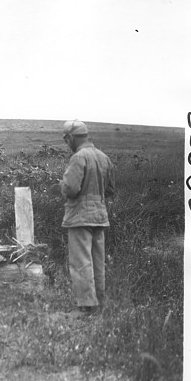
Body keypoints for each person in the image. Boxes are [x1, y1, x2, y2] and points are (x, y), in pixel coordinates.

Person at [60, 120, 116, 315]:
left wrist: (62, 186)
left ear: (71, 138)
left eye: (66, 139)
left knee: (80, 261)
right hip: (100, 215)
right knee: (97, 261)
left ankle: (86, 307)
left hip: (79, 216)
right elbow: (110, 189)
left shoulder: (78, 157)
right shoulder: (103, 157)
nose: (67, 144)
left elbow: (70, 189)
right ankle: (99, 304)